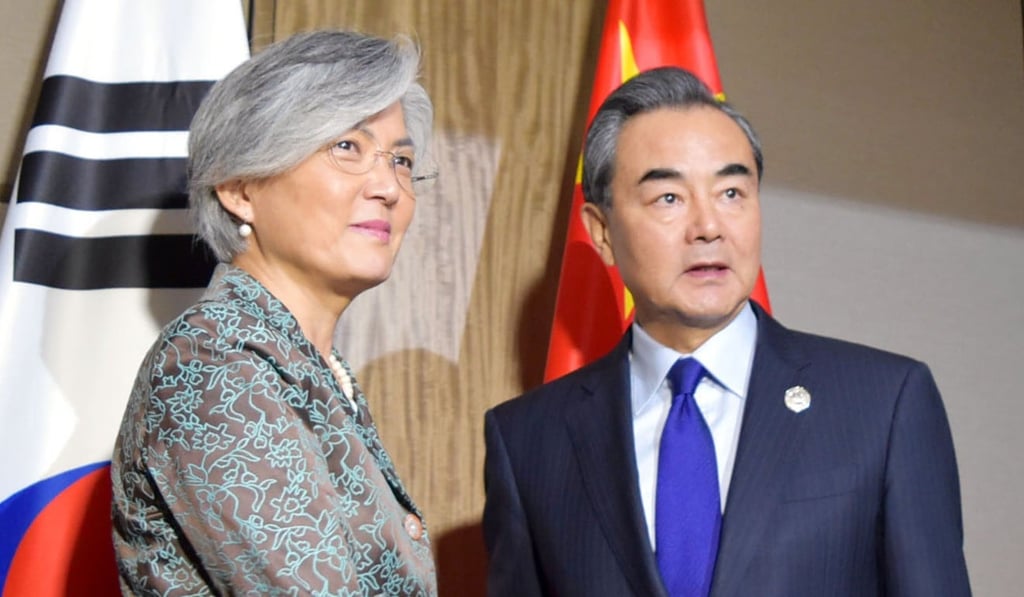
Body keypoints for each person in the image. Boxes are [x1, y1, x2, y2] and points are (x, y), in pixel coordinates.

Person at [483, 66, 970, 597]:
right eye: (669, 198)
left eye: (732, 192)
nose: (709, 226)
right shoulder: (529, 441)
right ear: (601, 232)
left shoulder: (884, 405)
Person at [111, 30, 438, 595]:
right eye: (347, 147)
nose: (388, 185)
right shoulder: (214, 365)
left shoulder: (305, 361)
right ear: (241, 188)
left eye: (402, 160)